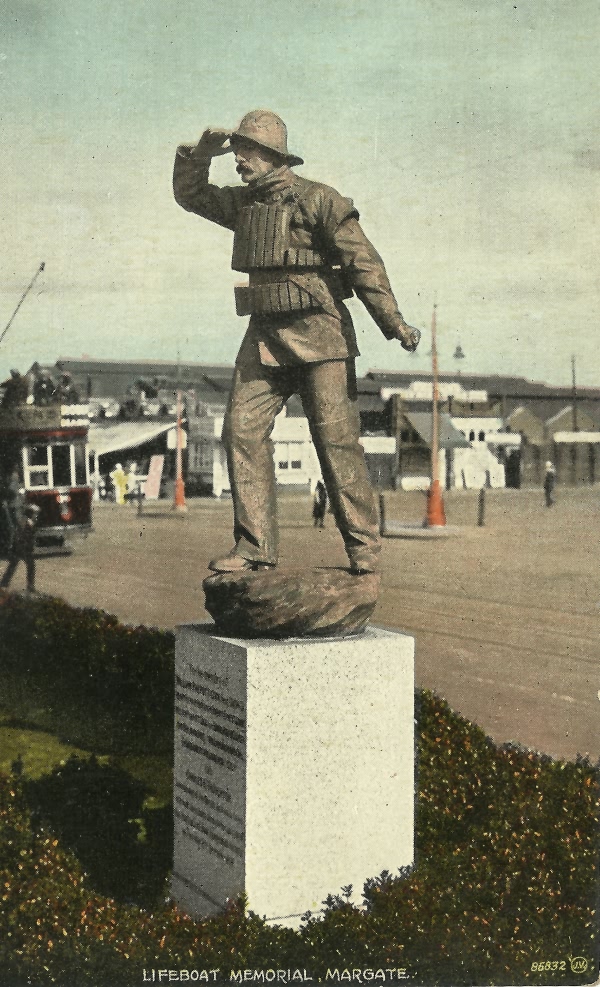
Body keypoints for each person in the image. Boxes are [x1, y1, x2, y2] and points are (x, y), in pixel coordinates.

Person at [174, 110, 421, 575]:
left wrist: (394, 322)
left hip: (320, 337)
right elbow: (191, 195)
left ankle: (364, 550)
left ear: (270, 154)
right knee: (240, 431)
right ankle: (254, 547)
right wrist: (198, 157)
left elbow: (363, 263)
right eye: (236, 153)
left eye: (244, 152)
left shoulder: (320, 200)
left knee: (336, 442)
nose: (238, 161)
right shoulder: (244, 205)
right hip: (264, 335)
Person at [0, 503, 40, 594]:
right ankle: (30, 586)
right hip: (22, 547)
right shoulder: (26, 522)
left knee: (14, 565)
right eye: (35, 513)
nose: (36, 515)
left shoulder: (27, 521)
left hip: (21, 547)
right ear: (31, 513)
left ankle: (3, 584)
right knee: (29, 566)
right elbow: (22, 536)